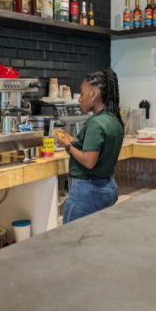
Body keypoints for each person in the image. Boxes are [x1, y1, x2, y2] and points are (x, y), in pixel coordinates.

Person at [55, 68, 124, 223]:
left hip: (88, 191)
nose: (80, 99)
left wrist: (67, 145)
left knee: (71, 239)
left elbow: (89, 161)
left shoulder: (96, 123)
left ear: (93, 95)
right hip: (107, 187)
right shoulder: (113, 119)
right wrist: (72, 140)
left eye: (82, 94)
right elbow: (95, 148)